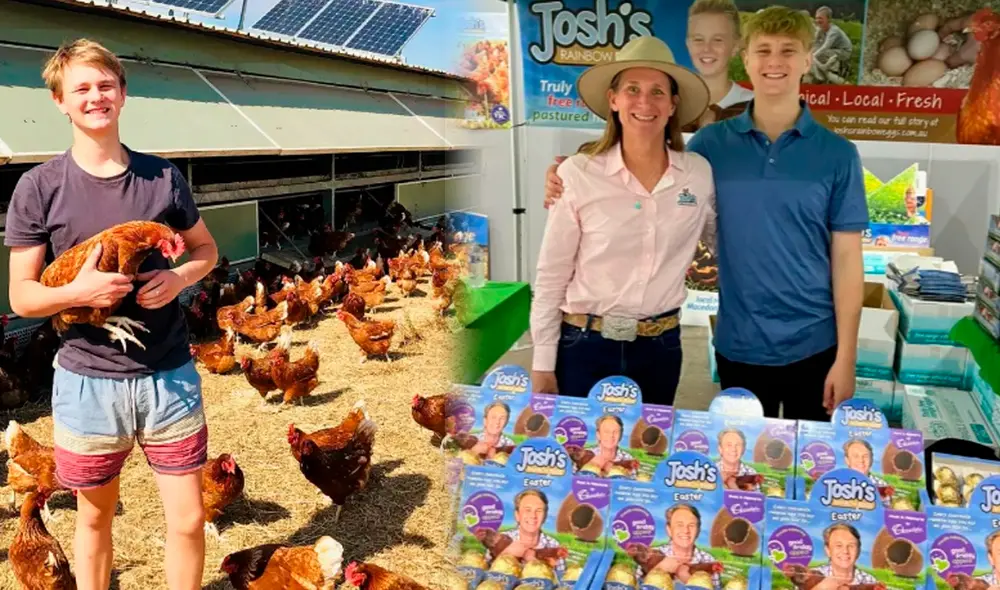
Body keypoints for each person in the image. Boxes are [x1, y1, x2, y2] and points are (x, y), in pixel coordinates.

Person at [545, 7, 868, 421]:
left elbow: (847, 259)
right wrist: (566, 171)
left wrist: (847, 356)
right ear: (745, 59)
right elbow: (644, 160)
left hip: (817, 344)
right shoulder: (711, 147)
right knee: (744, 471)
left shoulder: (839, 154)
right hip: (740, 344)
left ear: (808, 59)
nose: (775, 61)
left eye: (789, 51)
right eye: (763, 50)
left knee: (811, 469)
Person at [4, 39, 219, 590]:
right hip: (87, 381)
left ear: (123, 94)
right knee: (95, 518)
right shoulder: (38, 187)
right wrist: (80, 291)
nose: (95, 96)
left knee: (190, 520)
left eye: (105, 85)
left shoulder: (162, 178)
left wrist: (178, 279)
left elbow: (206, 252)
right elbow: (23, 297)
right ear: (60, 101)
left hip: (168, 373)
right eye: (81, 88)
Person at [529, 36, 714, 405]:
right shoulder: (578, 173)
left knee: (646, 457)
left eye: (658, 91)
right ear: (613, 100)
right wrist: (542, 362)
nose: (644, 102)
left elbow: (725, 239)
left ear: (673, 104)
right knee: (580, 456)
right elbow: (552, 274)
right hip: (583, 346)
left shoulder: (698, 174)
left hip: (661, 349)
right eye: (632, 89)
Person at [684, 0, 754, 132]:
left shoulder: (754, 107)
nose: (706, 48)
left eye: (717, 40)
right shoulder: (671, 103)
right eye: (698, 39)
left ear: (735, 46)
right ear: (688, 44)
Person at [645, 504, 720, 589]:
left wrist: (687, 578)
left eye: (691, 525)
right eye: (679, 525)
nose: (685, 531)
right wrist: (659, 569)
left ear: (698, 531)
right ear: (669, 529)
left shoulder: (709, 560)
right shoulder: (650, 555)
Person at [495, 490, 566, 572]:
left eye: (539, 510)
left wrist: (544, 566)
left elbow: (562, 579)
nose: (533, 515)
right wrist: (505, 553)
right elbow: (485, 571)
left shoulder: (554, 545)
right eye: (528, 510)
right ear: (517, 515)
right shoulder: (500, 540)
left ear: (545, 516)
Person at [808, 6, 853, 84]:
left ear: (829, 19)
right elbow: (814, 41)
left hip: (844, 52)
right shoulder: (821, 28)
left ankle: (829, 72)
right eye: (816, 18)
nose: (817, 20)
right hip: (833, 49)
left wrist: (812, 55)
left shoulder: (833, 31)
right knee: (814, 49)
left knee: (819, 53)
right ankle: (824, 69)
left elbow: (825, 47)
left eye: (820, 18)